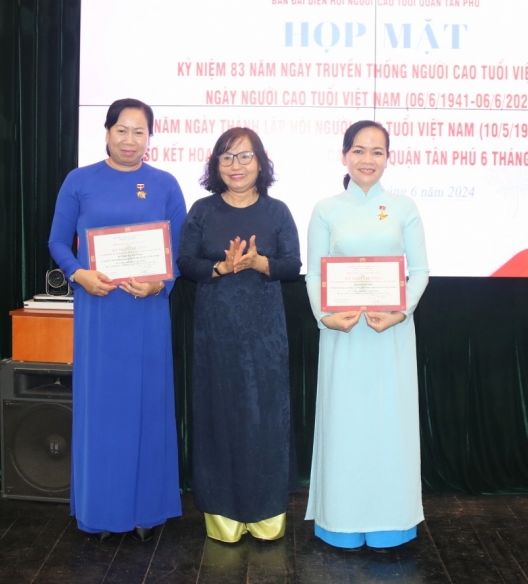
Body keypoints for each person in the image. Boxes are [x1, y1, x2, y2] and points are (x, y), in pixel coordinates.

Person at [48, 98, 187, 541]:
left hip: (147, 312)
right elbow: (57, 242)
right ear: (107, 133)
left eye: (139, 132)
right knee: (103, 412)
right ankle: (101, 511)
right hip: (99, 310)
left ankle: (147, 510)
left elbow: (180, 252)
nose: (130, 140)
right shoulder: (79, 180)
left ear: (150, 137)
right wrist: (79, 274)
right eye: (121, 130)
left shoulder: (165, 184)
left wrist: (160, 284)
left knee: (148, 409)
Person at [304, 120, 430, 550]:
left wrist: (400, 311)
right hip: (342, 334)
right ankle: (339, 520)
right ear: (344, 156)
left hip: (390, 335)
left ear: (388, 158)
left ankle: (391, 522)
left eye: (377, 151)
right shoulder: (326, 209)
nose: (367, 159)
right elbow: (315, 273)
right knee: (344, 425)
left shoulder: (403, 207)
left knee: (388, 425)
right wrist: (325, 317)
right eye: (358, 150)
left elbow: (420, 271)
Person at [176, 128, 301, 543]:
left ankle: (265, 512)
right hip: (216, 331)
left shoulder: (277, 211)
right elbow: (185, 262)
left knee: (264, 417)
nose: (236, 165)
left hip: (266, 334)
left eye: (245, 156)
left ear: (261, 163)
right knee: (219, 414)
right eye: (227, 157)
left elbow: (293, 265)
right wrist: (220, 268)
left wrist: (261, 263)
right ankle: (222, 512)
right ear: (216, 165)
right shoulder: (202, 210)